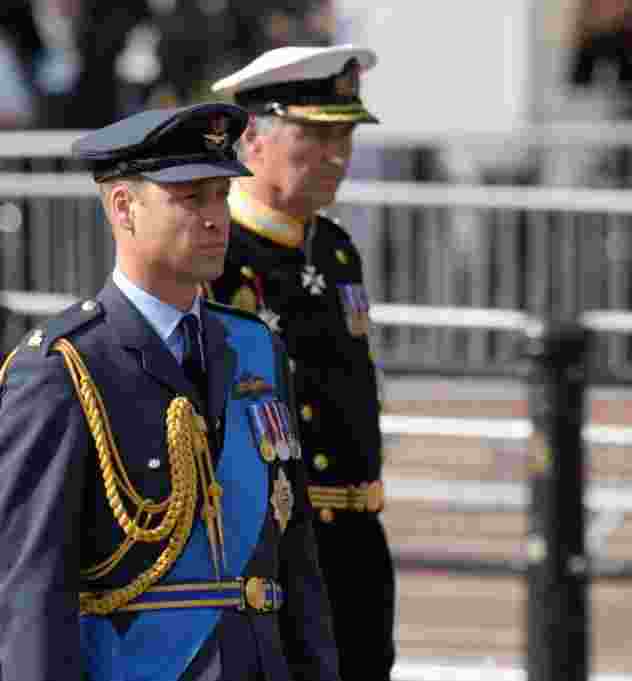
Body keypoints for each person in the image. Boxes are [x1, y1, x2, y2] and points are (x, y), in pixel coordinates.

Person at [0, 103, 340, 681]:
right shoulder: (64, 369)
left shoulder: (256, 348)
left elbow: (295, 557)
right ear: (124, 207)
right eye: (190, 198)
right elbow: (31, 591)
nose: (216, 218)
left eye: (219, 195)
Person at [207, 45, 395, 680]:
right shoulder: (220, 256)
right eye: (317, 135)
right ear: (253, 141)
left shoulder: (335, 249)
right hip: (275, 545)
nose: (338, 155)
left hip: (357, 537)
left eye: (344, 135)